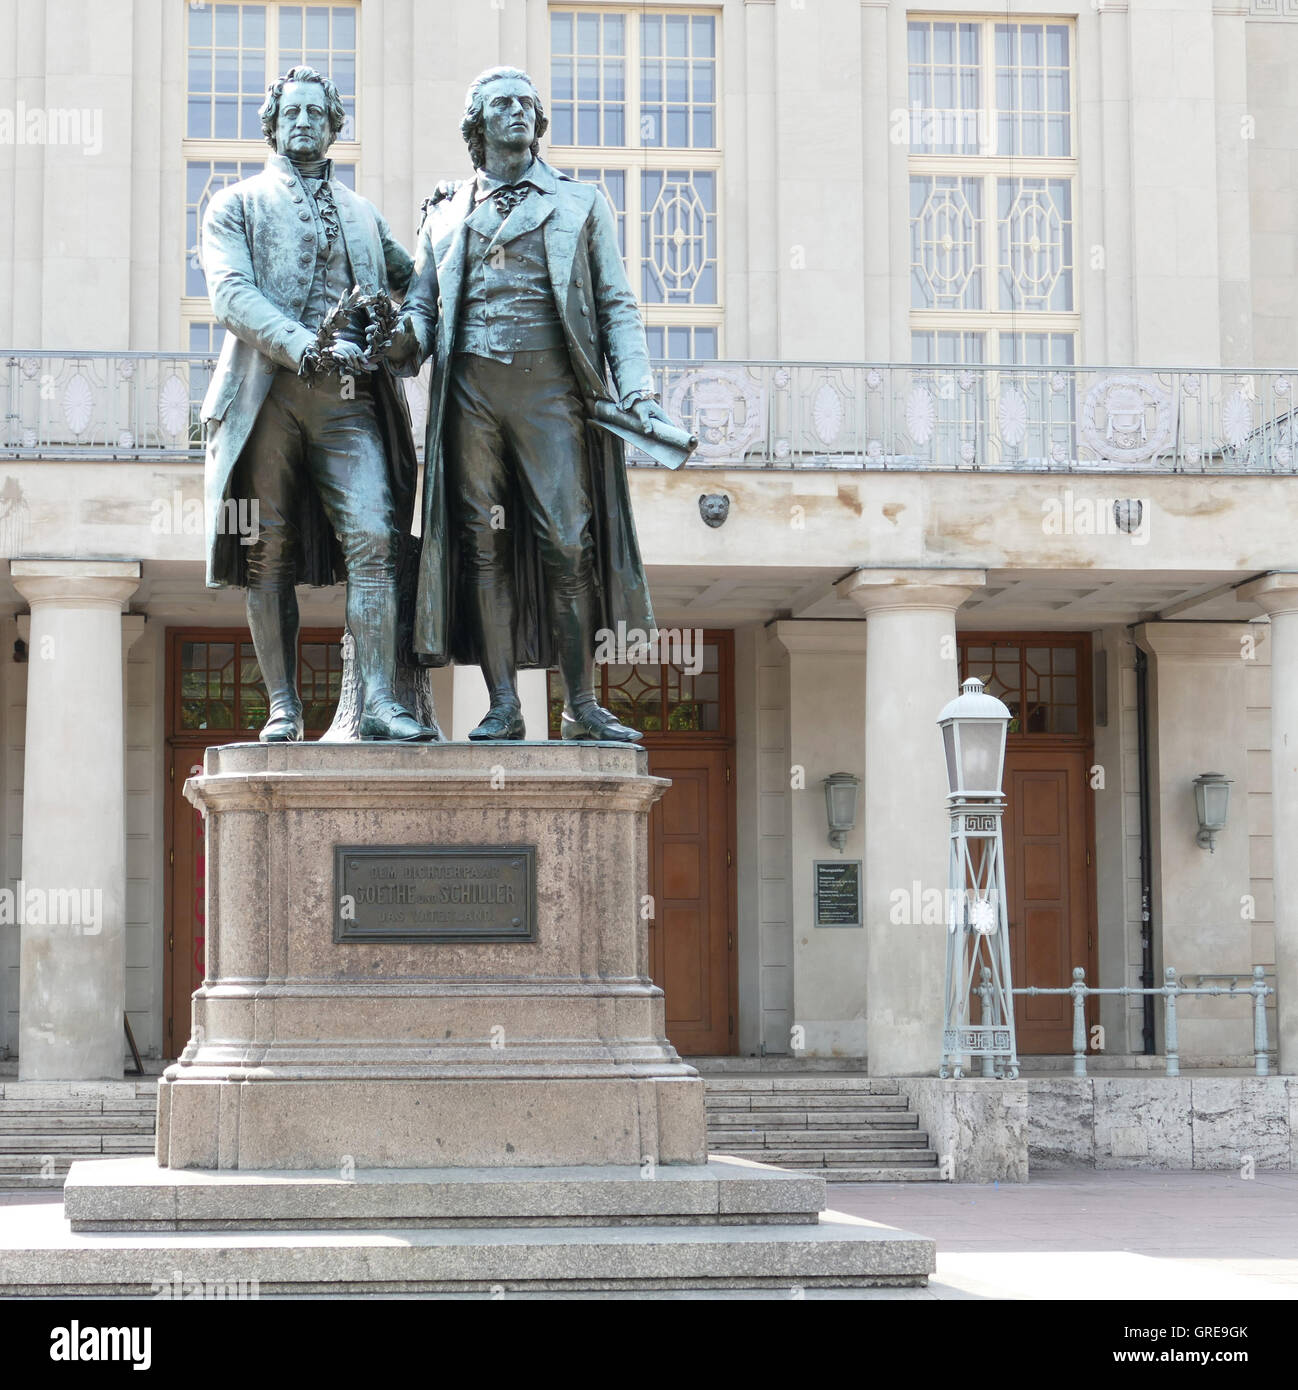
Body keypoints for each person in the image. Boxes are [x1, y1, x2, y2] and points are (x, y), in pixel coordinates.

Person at [393, 66, 673, 742]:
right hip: (470, 399)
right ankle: (503, 704)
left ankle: (580, 703)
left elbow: (617, 308)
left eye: (527, 104)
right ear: (477, 126)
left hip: (553, 396)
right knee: (482, 547)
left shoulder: (582, 203)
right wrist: (401, 337)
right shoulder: (445, 209)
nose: (518, 112)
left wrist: (637, 391)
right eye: (502, 104)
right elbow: (424, 309)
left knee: (568, 544)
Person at [200, 65, 435, 741]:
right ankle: (283, 707)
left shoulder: (364, 215)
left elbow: (418, 283)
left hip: (348, 403)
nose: (303, 123)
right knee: (266, 554)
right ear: (273, 126)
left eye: (316, 113)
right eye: (291, 113)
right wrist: (304, 343)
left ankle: (382, 703)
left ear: (335, 126)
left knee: (376, 539)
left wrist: (405, 336)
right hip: (266, 396)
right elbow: (231, 296)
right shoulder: (234, 205)